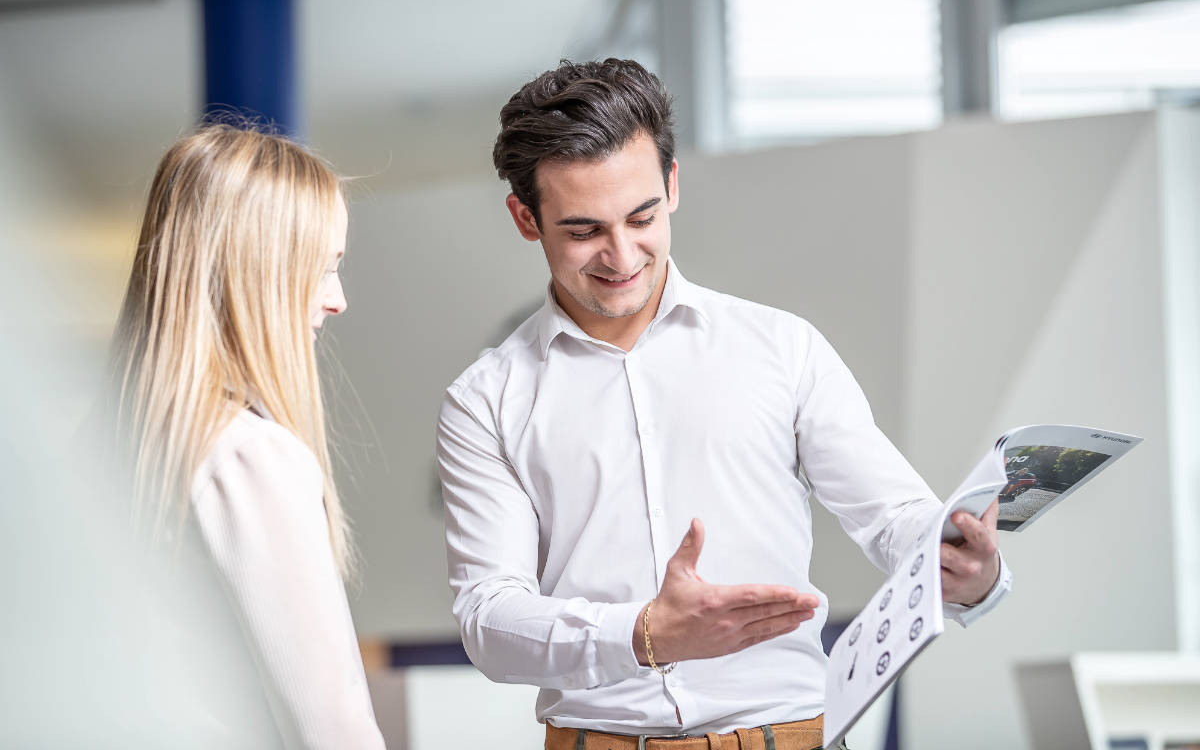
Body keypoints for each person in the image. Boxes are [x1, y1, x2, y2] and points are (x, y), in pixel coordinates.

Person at [436, 59, 1011, 750]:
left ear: (672, 185)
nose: (621, 255)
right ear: (526, 218)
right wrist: (644, 634)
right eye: (584, 230)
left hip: (789, 736)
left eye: (642, 216)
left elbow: (895, 519)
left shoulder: (782, 347)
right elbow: (489, 622)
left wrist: (968, 569)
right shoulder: (485, 400)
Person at [107, 124, 385, 749]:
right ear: (255, 275)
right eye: (322, 269)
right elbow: (332, 728)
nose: (337, 300)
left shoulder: (118, 447)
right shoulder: (249, 455)